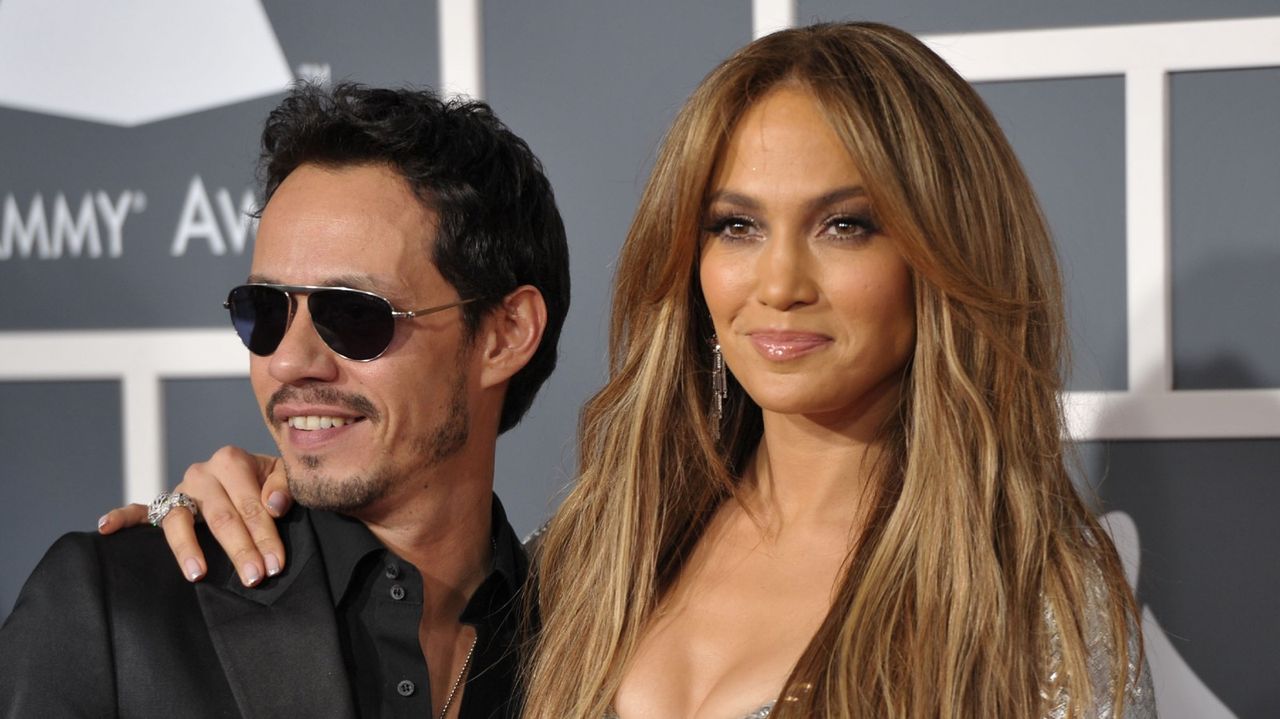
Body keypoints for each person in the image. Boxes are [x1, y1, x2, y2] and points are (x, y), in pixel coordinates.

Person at [98, 22, 1155, 718]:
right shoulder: (598, 550)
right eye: (735, 225)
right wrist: (248, 502)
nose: (776, 281)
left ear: (937, 251)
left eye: (843, 223)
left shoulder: (1031, 598)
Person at [0, 82, 570, 719]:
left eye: (353, 314)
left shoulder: (597, 649)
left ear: (505, 334)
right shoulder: (116, 607)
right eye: (263, 311)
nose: (289, 361)